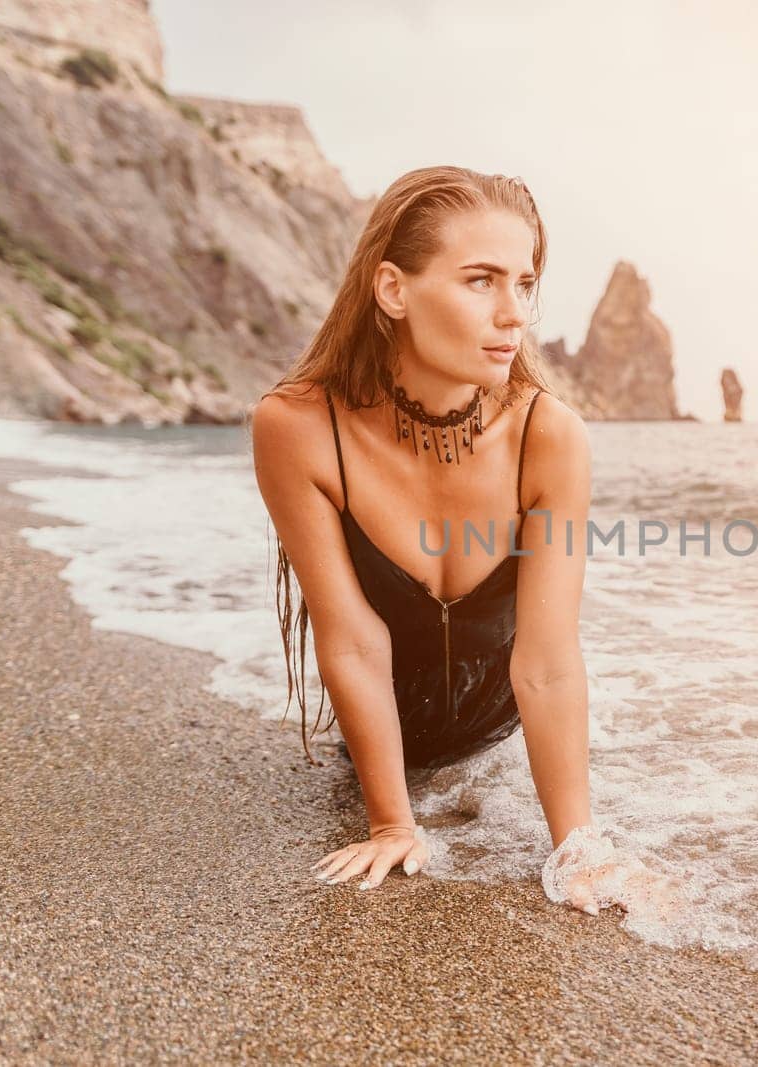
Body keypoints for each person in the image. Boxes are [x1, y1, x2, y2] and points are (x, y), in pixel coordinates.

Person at [250, 166, 615, 916]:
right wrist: (392, 822)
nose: (513, 314)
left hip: (496, 726)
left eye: (524, 283)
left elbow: (545, 663)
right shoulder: (298, 428)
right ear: (393, 290)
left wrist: (578, 848)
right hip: (382, 734)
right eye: (481, 280)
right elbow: (350, 641)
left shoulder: (549, 435)